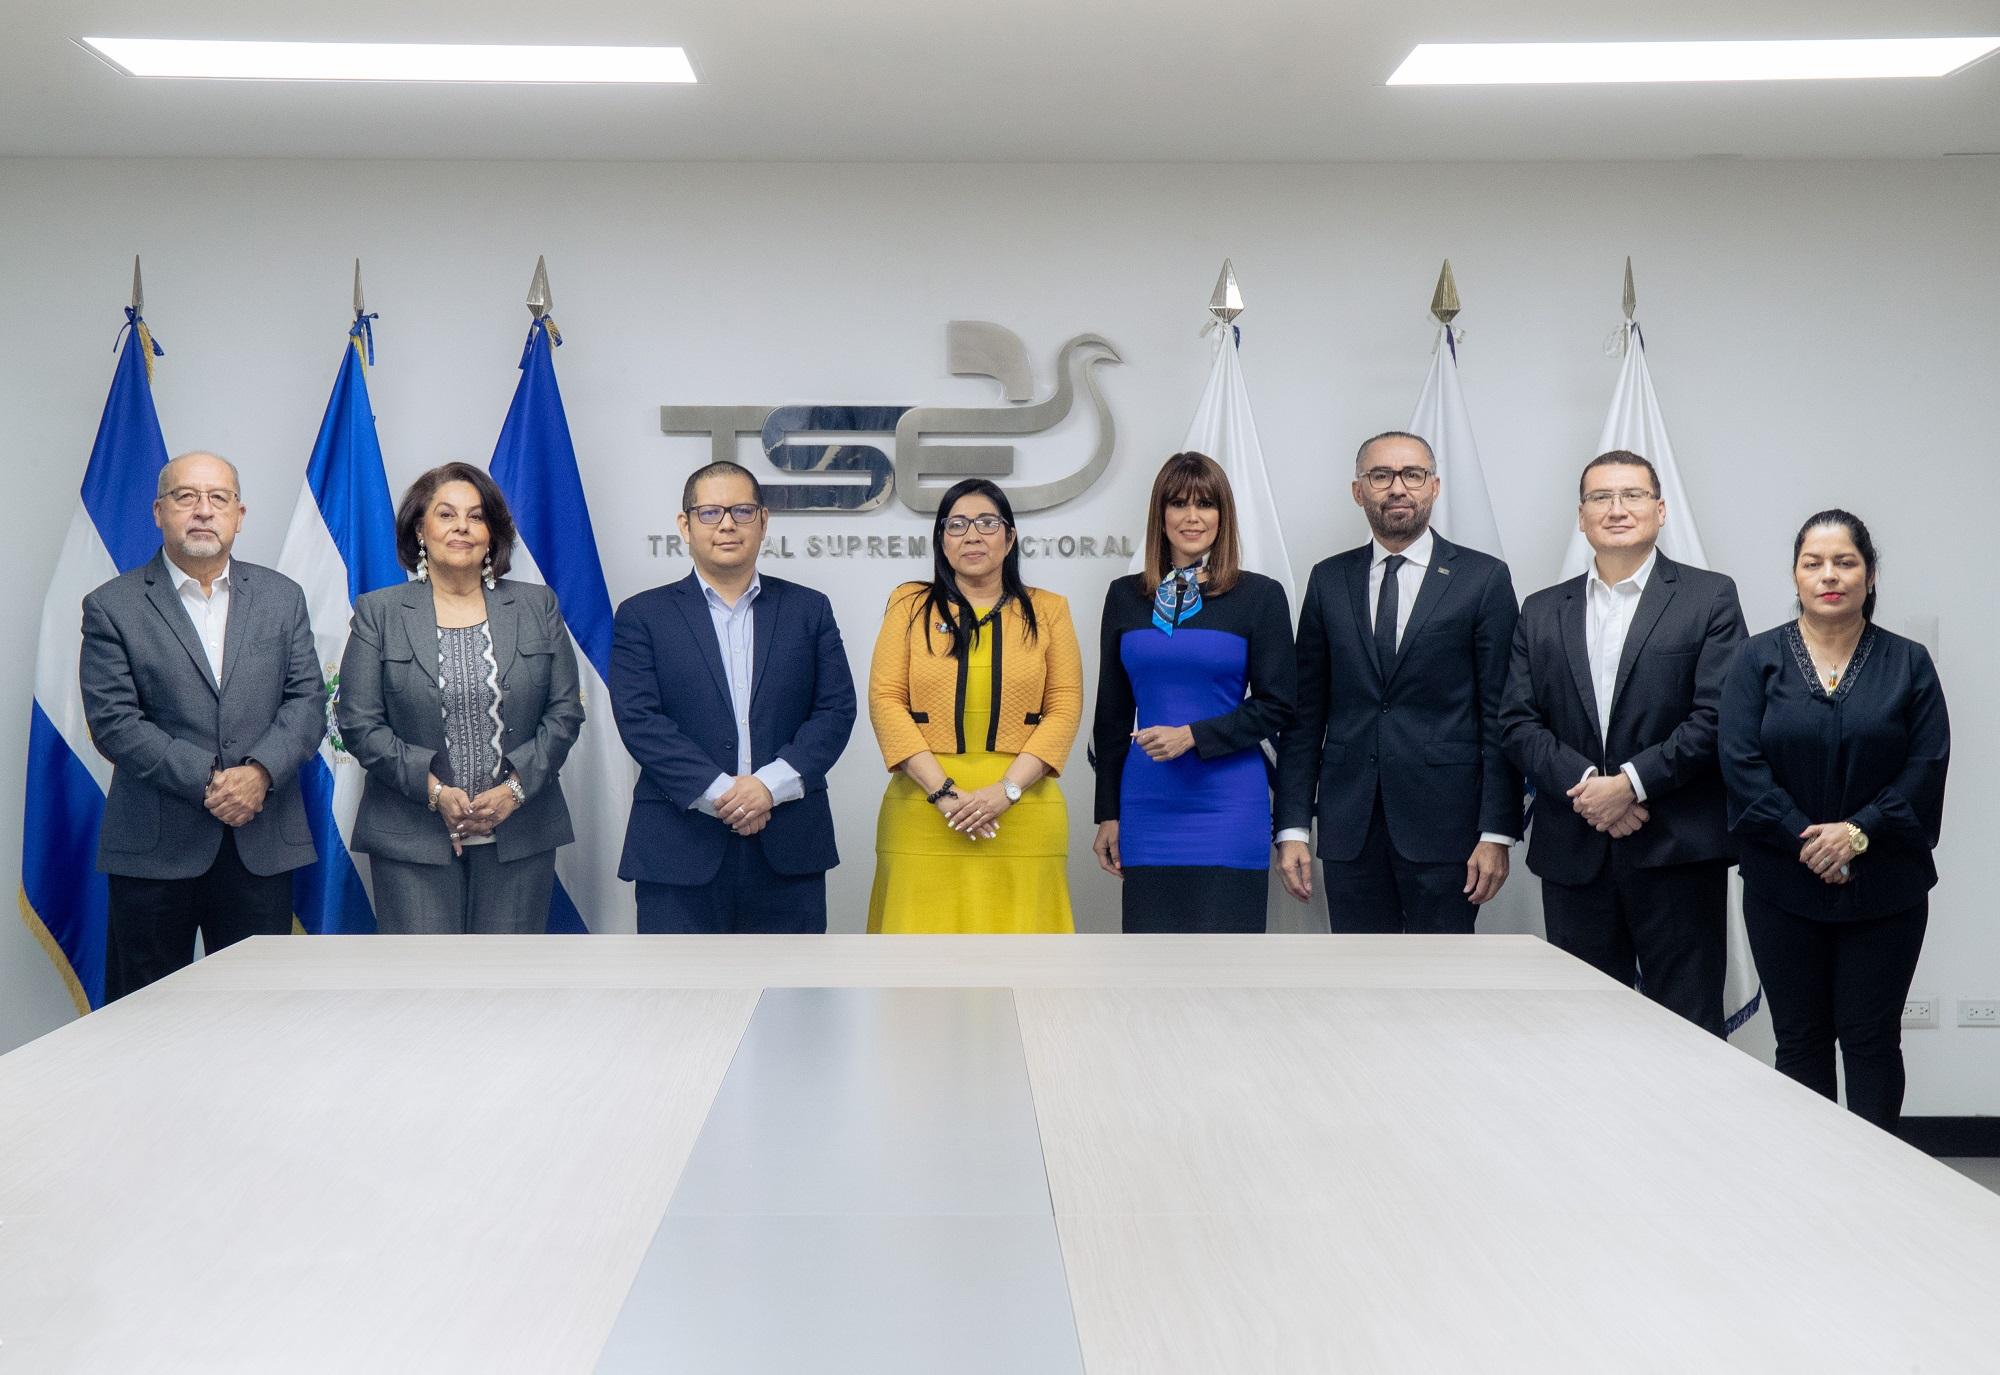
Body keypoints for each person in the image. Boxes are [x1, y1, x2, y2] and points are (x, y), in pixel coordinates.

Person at [1500, 451, 1747, 1033]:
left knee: (1687, 1030)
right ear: (1581, 517)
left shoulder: (1708, 597)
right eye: (1600, 497)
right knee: (1582, 1029)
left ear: (1660, 510)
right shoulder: (1540, 611)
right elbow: (1516, 721)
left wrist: (1631, 785)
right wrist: (1592, 789)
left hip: (1676, 851)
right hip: (1574, 851)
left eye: (1633, 495)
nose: (1617, 509)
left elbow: (1717, 716)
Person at [1720, 510, 1948, 1131]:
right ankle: (1810, 1189)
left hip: (1886, 888)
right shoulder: (1755, 659)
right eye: (1813, 563)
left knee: (1872, 1040)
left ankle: (1881, 1188)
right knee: (1800, 1040)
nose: (1829, 576)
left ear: (1870, 575)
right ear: (1794, 575)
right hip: (1781, 886)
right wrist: (1810, 840)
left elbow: (1925, 768)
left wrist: (1857, 832)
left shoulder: (1909, 663)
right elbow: (1741, 766)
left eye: (1845, 562)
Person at [80, 450, 325, 999]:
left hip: (260, 843)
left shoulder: (283, 597)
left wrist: (258, 774)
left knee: (259, 1014)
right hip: (154, 846)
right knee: (143, 1016)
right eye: (186, 496)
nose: (203, 510)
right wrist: (212, 782)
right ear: (159, 511)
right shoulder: (111, 606)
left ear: (240, 515)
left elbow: (308, 702)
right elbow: (114, 722)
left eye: (218, 498)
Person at [1275, 430, 1521, 932]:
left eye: (1412, 474)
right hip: (1349, 828)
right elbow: (1305, 717)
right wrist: (1293, 827)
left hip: (1449, 829)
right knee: (1359, 989)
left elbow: (1502, 716)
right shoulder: (1328, 580)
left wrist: (1497, 831)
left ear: (1434, 486)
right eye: (1381, 475)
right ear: (1358, 490)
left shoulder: (1484, 578)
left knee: (1442, 987)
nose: (1398, 488)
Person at [610, 461, 856, 932]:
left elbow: (835, 710)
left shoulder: (809, 608)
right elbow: (640, 719)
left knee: (791, 999)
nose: (727, 524)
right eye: (710, 512)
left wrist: (768, 787)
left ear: (764, 521)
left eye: (742, 511)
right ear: (685, 524)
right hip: (679, 848)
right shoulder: (643, 615)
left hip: (789, 846)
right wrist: (726, 795)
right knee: (683, 1001)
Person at [338, 462, 584, 934]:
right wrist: (434, 792)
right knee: (425, 990)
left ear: (492, 533)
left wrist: (513, 791)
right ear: (420, 530)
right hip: (411, 836)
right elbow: (359, 722)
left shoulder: (538, 606)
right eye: (447, 515)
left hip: (520, 830)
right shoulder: (379, 612)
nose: (462, 527)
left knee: (507, 988)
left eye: (476, 516)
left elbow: (565, 712)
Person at [1090, 452, 1295, 931]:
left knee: (1228, 963)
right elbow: (1112, 716)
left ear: (1223, 515)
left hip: (1229, 803)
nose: (1192, 516)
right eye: (1178, 503)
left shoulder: (1259, 596)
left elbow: (1279, 703)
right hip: (1146, 803)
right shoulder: (1125, 596)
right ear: (1160, 517)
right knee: (1150, 965)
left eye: (1205, 503)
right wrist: (1107, 814)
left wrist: (1193, 736)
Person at [868, 477, 1083, 932]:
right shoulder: (909, 605)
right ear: (941, 540)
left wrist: (1005, 791)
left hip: (1024, 811)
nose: (972, 535)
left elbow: (1064, 706)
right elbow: (886, 700)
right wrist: (945, 795)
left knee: (1026, 965)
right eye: (957, 524)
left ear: (1010, 536)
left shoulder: (1049, 610)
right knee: (918, 967)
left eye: (987, 522)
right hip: (923, 811)